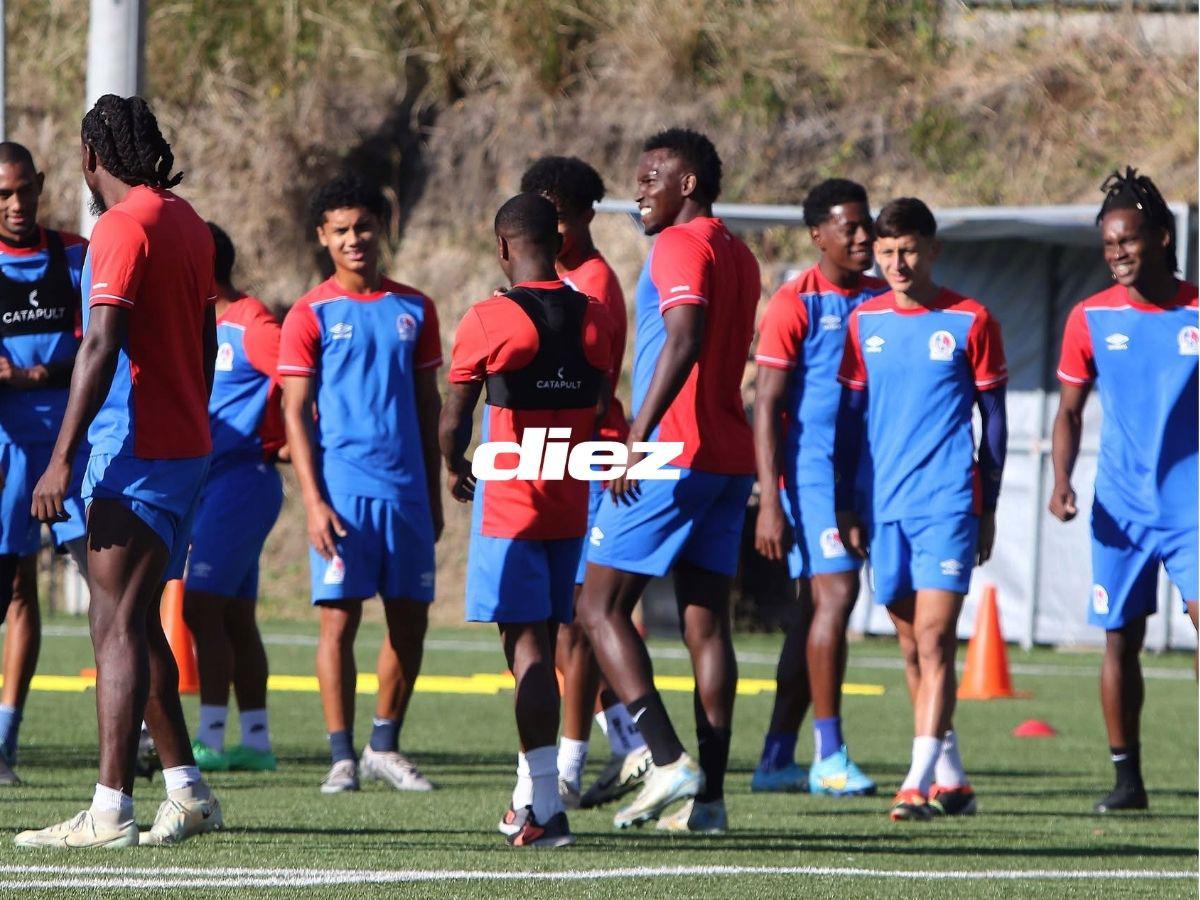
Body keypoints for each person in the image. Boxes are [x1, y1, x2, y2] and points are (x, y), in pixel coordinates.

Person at [19, 94, 223, 848]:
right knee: (129, 621)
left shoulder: (120, 226)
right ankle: (187, 791)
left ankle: (109, 809)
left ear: (88, 156)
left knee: (114, 626)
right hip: (180, 446)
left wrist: (62, 456)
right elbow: (203, 342)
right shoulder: (187, 220)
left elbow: (100, 346)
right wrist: (187, 420)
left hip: (138, 452)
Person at [577, 128, 761, 834]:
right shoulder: (738, 251)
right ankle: (708, 802)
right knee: (705, 626)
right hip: (724, 456)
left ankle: (664, 758)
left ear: (690, 183)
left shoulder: (680, 245)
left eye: (653, 174)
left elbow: (683, 336)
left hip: (673, 451)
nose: (639, 189)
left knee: (596, 608)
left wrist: (635, 438)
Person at [442, 191, 612, 848]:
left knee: (529, 650)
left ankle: (545, 809)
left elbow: (454, 417)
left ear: (504, 245)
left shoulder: (489, 318)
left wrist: (456, 465)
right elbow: (595, 401)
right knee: (543, 640)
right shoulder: (594, 317)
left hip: (510, 507)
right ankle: (528, 797)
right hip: (568, 501)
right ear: (560, 242)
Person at [835, 197, 1007, 823]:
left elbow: (995, 420)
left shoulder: (970, 319)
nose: (897, 263)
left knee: (935, 639)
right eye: (885, 253)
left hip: (948, 503)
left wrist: (985, 502)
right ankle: (953, 779)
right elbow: (851, 425)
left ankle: (916, 781)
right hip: (884, 509)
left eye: (908, 250)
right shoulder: (865, 322)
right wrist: (848, 505)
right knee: (910, 648)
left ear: (932, 250)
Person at [279, 172, 442, 795]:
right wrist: (314, 503)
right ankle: (341, 756)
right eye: (341, 230)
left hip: (405, 494)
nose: (354, 239)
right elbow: (294, 412)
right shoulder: (310, 313)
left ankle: (384, 745)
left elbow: (428, 406)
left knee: (410, 624)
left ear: (383, 229)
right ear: (323, 237)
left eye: (364, 227)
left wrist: (433, 489)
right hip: (342, 495)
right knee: (338, 625)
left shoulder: (415, 308)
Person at [1049, 167, 1197, 813]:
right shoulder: (1089, 317)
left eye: (1128, 241)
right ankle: (1127, 779)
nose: (1118, 255)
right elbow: (1070, 412)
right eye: (1109, 245)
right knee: (1119, 638)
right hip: (1121, 505)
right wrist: (1061, 481)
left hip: (1192, 504)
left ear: (1161, 238)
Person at [518, 155, 650, 810]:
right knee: (557, 623)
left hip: (589, 460)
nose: (547, 228)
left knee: (574, 623)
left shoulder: (591, 286)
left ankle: (569, 767)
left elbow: (590, 389)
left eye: (558, 216)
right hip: (559, 459)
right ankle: (628, 746)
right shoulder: (557, 277)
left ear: (585, 216)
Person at [751, 178, 886, 796]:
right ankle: (829, 755)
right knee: (834, 599)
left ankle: (776, 758)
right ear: (818, 236)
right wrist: (769, 502)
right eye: (849, 227)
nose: (863, 236)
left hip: (873, 473)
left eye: (867, 225)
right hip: (811, 474)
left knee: (814, 615)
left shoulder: (887, 298)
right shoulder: (794, 301)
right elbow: (767, 406)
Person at [0, 142, 91, 785]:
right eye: (3, 194)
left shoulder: (74, 255)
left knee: (111, 586)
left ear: (40, 186)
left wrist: (41, 371)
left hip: (71, 446)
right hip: (6, 449)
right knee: (13, 590)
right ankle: (3, 745)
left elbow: (101, 342)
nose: (15, 204)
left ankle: (141, 728)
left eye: (24, 189)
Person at [182, 222, 285, 773]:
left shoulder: (254, 324)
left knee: (200, 607)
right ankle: (259, 743)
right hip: (214, 484)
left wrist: (291, 440)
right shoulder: (205, 323)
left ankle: (211, 740)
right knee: (236, 616)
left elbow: (301, 382)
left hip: (243, 482)